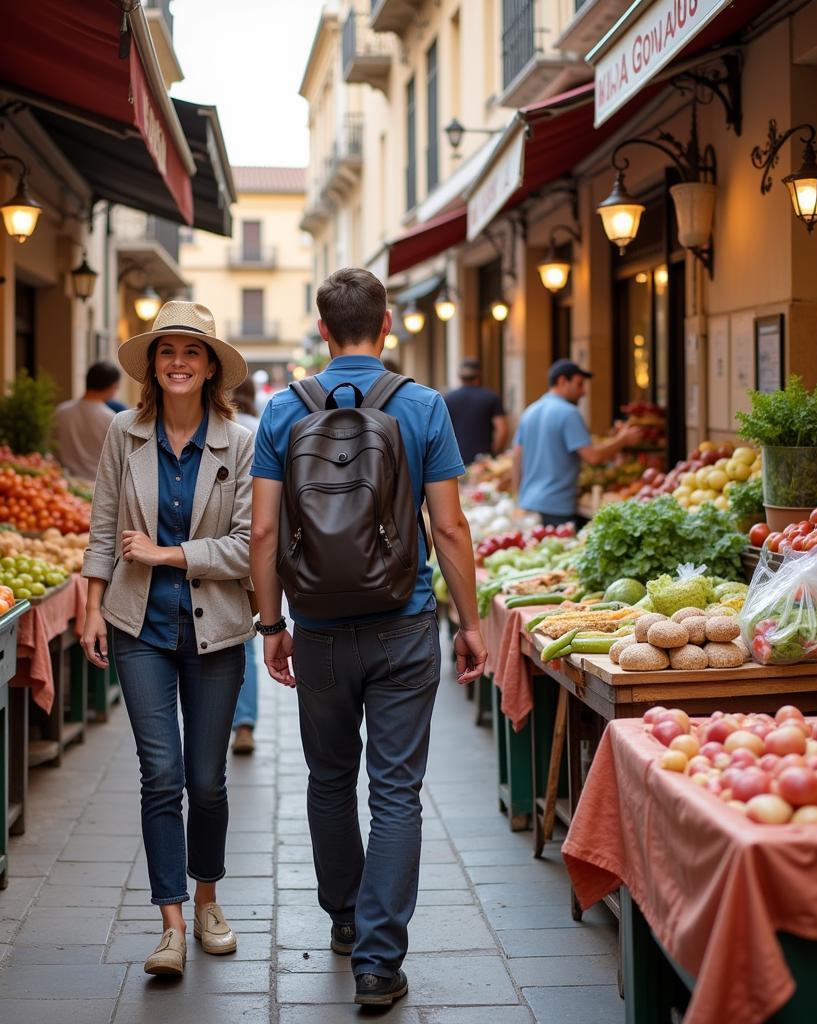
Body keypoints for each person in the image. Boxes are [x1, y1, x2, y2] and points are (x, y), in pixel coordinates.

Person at [249, 268, 488, 1008]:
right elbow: (447, 527)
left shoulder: (283, 410)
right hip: (403, 624)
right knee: (396, 792)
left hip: (316, 628)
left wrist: (271, 625)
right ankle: (380, 964)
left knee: (327, 780)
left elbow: (261, 531)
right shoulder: (421, 406)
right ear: (387, 325)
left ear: (322, 329)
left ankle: (345, 921)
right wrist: (471, 623)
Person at [80, 301, 255, 977]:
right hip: (139, 629)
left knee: (208, 783)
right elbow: (102, 529)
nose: (178, 362)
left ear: (211, 366)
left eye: (192, 351)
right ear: (153, 365)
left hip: (216, 632)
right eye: (166, 351)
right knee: (162, 777)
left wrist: (167, 554)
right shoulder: (124, 433)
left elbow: (245, 548)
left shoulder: (241, 443)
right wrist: (93, 606)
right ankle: (172, 925)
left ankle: (209, 900)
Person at [512, 358, 643, 528]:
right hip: (556, 508)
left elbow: (516, 457)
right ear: (562, 382)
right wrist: (623, 440)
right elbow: (593, 457)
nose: (584, 392)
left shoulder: (529, 411)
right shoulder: (569, 413)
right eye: (579, 384)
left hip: (528, 503)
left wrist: (519, 496)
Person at [230, 377, 260, 756]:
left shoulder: (225, 430)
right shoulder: (258, 427)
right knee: (244, 640)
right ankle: (244, 724)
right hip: (251, 545)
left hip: (216, 544)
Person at [53, 361, 121, 481]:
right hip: (97, 488)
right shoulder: (111, 419)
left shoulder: (61, 411)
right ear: (112, 386)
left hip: (64, 484)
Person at [443, 357, 508, 465]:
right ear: (479, 375)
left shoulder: (448, 398)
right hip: (483, 461)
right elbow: (502, 429)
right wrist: (495, 453)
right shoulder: (491, 397)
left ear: (460, 376)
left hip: (456, 460)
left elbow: (442, 432)